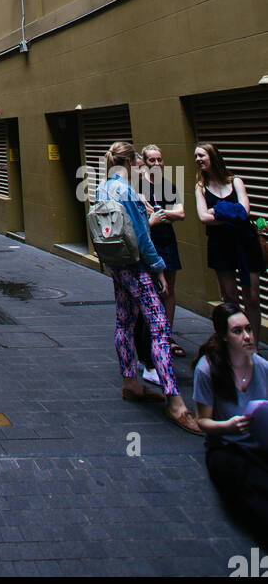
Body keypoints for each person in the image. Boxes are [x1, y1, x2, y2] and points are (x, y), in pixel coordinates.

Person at [97, 141, 200, 433]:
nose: (142, 166)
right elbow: (142, 237)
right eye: (140, 162)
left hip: (116, 264)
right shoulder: (127, 191)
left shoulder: (103, 187)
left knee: (124, 321)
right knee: (159, 327)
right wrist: (158, 271)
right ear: (129, 163)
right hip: (136, 266)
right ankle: (176, 402)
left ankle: (130, 382)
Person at [193, 302, 268, 541]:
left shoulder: (263, 367)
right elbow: (202, 421)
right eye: (238, 331)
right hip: (227, 449)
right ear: (225, 337)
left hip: (260, 445)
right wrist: (228, 426)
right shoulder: (208, 370)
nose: (247, 336)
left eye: (249, 329)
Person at [195, 142, 265, 343]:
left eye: (202, 155)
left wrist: (216, 210)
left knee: (252, 296)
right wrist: (231, 212)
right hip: (221, 246)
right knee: (230, 297)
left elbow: (245, 212)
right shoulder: (200, 187)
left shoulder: (235, 182)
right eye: (196, 157)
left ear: (213, 157)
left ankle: (253, 345)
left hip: (246, 243)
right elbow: (203, 217)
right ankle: (235, 343)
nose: (198, 160)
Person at [140, 144, 186, 357]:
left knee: (169, 290)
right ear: (145, 162)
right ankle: (152, 334)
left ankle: (167, 335)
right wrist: (163, 215)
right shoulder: (139, 187)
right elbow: (145, 216)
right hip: (150, 243)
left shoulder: (168, 185)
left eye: (159, 159)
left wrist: (162, 213)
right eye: (152, 160)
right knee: (151, 289)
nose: (157, 164)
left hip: (168, 241)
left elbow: (181, 213)